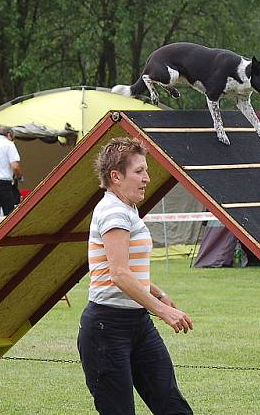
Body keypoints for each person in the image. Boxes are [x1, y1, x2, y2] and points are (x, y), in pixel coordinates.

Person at [78, 137, 193, 414]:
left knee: (172, 406)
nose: (147, 178)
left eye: (146, 170)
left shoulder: (128, 208)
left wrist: (157, 293)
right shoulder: (113, 210)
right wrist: (163, 311)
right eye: (139, 171)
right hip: (106, 328)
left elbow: (124, 269)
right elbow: (118, 274)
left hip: (138, 324)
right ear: (115, 176)